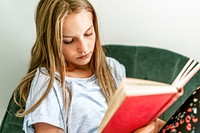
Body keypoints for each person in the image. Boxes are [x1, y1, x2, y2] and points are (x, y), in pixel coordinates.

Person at [13, 0, 165, 132]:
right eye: (69, 40)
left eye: (88, 33)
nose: (84, 48)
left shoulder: (112, 68)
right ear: (51, 43)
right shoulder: (48, 81)